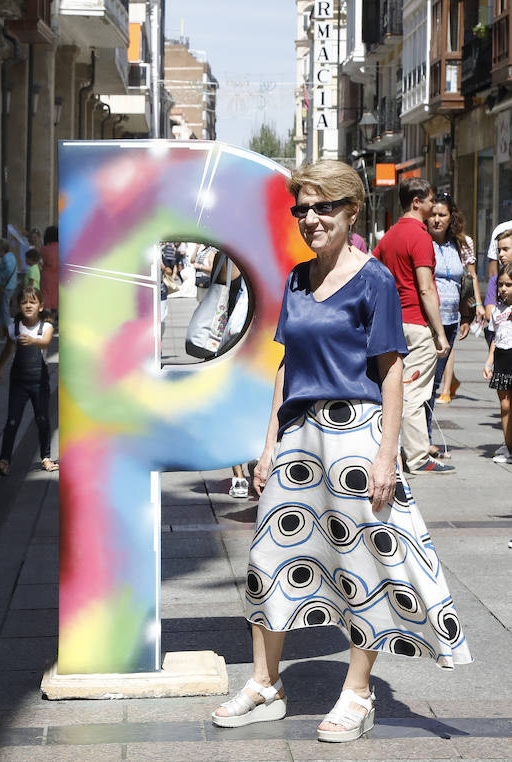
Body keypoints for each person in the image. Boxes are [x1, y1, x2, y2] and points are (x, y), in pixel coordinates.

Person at [212, 159, 471, 742]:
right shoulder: (298, 278)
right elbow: (286, 363)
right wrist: (269, 443)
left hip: (355, 433)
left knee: (362, 564)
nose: (310, 218)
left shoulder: (374, 278)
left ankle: (357, 693)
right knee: (267, 561)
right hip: (299, 434)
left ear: (352, 211)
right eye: (301, 208)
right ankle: (265, 683)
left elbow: (392, 369)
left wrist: (386, 454)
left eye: (323, 207)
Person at [374, 177, 454, 474]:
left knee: (396, 388)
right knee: (415, 393)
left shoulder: (389, 236)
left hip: (393, 323)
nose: (434, 207)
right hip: (417, 325)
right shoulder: (420, 236)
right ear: (416, 202)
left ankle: (398, 452)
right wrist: (440, 333)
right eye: (431, 200)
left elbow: (375, 272)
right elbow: (426, 288)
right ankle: (418, 457)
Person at [424, 194, 480, 457]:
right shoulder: (423, 241)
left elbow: (466, 281)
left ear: (451, 218)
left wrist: (467, 314)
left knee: (435, 384)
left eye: (442, 215)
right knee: (423, 382)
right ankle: (421, 440)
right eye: (433, 214)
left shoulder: (460, 244)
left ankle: (425, 437)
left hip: (451, 321)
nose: (437, 219)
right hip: (426, 322)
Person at [0, 287, 57, 475]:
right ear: (19, 306)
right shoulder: (14, 327)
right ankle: (4, 460)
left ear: (41, 306)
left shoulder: (46, 327)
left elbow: (45, 342)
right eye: (24, 302)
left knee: (42, 419)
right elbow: (8, 349)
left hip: (39, 381)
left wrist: (33, 341)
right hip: (18, 381)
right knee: (12, 421)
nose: (28, 305)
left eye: (33, 302)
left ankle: (46, 457)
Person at [484, 262, 512, 464]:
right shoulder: (496, 310)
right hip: (501, 358)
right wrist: (489, 360)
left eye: (509, 284)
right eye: (501, 284)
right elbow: (495, 337)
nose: (503, 288)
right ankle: (509, 447)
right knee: (505, 405)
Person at [484, 230, 512, 349]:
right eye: (499, 250)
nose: (500, 254)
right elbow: (489, 313)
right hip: (502, 346)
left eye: (506, 249)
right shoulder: (495, 281)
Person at [0, 238, 19, 334]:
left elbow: (7, 269)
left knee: (3, 308)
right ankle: (1, 332)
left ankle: (8, 332)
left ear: (1, 250)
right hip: (9, 286)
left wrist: (1, 279)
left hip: (5, 287)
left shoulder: (6, 258)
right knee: (0, 308)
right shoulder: (11, 256)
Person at [40, 225, 59, 322]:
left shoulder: (44, 249)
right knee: (57, 299)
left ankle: (47, 322)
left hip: (47, 277)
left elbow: (39, 262)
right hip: (59, 276)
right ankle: (55, 320)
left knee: (46, 299)